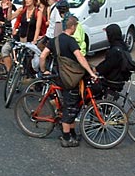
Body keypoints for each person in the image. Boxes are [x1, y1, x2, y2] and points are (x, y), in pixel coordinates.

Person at [38, 15, 98, 148]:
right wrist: (91, 72)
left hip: (62, 76)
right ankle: (66, 137)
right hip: (71, 78)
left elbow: (42, 56)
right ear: (73, 27)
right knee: (70, 106)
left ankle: (72, 133)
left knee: (72, 104)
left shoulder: (55, 40)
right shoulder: (71, 41)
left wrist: (44, 71)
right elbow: (80, 58)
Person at [3, 0, 43, 72]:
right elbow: (9, 18)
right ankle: (10, 72)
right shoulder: (22, 10)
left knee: (28, 60)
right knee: (5, 50)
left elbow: (38, 28)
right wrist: (10, 8)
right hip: (19, 37)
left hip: (30, 39)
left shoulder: (38, 12)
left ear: (34, 0)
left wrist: (34, 41)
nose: (26, 0)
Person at [94, 23, 135, 95]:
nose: (106, 37)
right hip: (119, 79)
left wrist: (96, 70)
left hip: (112, 81)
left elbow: (107, 66)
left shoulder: (115, 51)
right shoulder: (123, 47)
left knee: (90, 86)